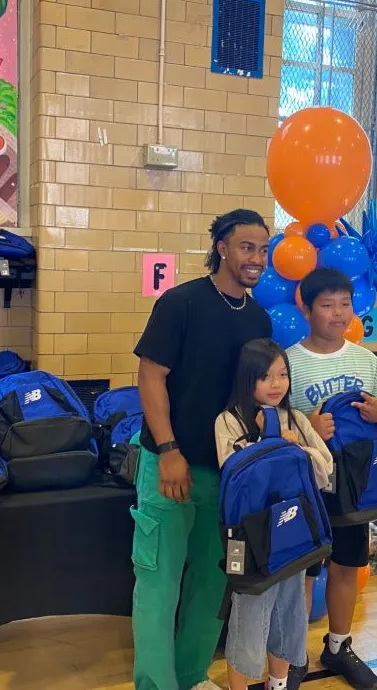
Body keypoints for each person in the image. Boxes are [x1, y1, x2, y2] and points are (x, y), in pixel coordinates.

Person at [131, 209, 272, 690]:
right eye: (246, 247)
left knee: (212, 584)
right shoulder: (181, 303)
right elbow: (151, 377)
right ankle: (156, 684)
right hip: (169, 464)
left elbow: (257, 392)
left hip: (227, 475)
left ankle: (190, 676)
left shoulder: (258, 317)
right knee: (159, 583)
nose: (256, 257)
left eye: (262, 248)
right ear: (223, 248)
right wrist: (169, 450)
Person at [285, 268, 377, 690]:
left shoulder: (366, 360)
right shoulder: (289, 361)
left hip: (355, 487)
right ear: (307, 307)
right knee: (303, 572)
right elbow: (272, 427)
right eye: (327, 305)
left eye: (344, 305)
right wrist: (307, 427)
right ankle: (292, 652)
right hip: (307, 487)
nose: (337, 314)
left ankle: (338, 646)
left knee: (348, 565)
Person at [215, 338, 333, 690]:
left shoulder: (295, 418)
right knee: (249, 616)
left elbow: (325, 466)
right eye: (265, 376)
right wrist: (275, 443)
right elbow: (235, 472)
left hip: (293, 533)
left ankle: (278, 683)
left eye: (283, 374)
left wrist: (292, 445)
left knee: (289, 612)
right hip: (250, 537)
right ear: (247, 379)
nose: (277, 384)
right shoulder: (228, 420)